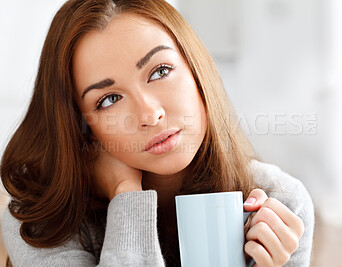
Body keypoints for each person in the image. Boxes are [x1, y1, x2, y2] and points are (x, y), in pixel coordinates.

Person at [0, 0, 314, 266]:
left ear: (196, 68)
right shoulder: (39, 219)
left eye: (160, 71)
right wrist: (127, 196)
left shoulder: (280, 202)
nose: (150, 114)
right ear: (81, 124)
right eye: (110, 99)